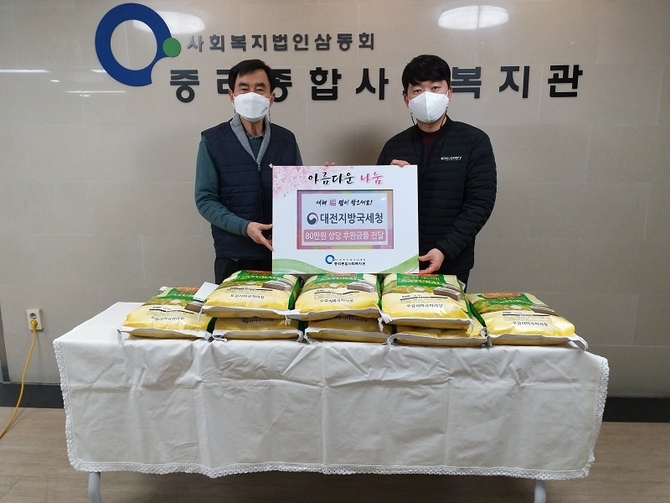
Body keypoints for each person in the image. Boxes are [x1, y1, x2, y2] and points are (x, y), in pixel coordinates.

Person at [377, 54, 497, 289]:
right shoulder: (394, 146)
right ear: (406, 98)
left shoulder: (473, 141)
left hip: (452, 262)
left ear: (449, 93)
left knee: (446, 314)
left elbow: (480, 203)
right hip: (398, 263)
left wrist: (444, 249)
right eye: (417, 90)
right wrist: (384, 181)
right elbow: (375, 208)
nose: (426, 96)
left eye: (435, 88)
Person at [195, 59, 302, 284]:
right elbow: (205, 200)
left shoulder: (286, 140)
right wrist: (244, 227)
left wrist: (322, 180)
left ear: (271, 97)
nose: (252, 95)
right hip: (234, 258)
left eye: (260, 89)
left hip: (280, 256)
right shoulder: (213, 141)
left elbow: (299, 193)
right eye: (244, 89)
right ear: (231, 95)